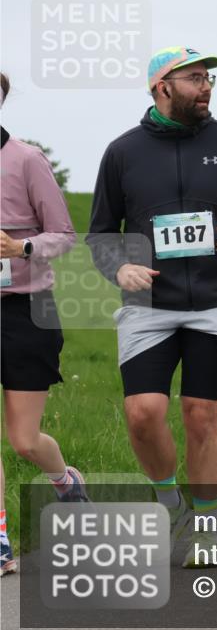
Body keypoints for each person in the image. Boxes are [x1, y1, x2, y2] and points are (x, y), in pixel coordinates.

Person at [86, 47, 217, 568]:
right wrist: (119, 268)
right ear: (162, 87)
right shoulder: (122, 152)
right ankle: (169, 502)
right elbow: (102, 234)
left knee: (201, 415)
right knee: (142, 413)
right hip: (147, 304)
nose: (206, 87)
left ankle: (205, 525)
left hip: (216, 302)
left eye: (209, 79)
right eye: (195, 78)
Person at [1, 72, 88, 576]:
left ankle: (65, 482)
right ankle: (0, 544)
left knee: (24, 441)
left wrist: (23, 247)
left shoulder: (26, 159)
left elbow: (65, 234)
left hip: (27, 309)